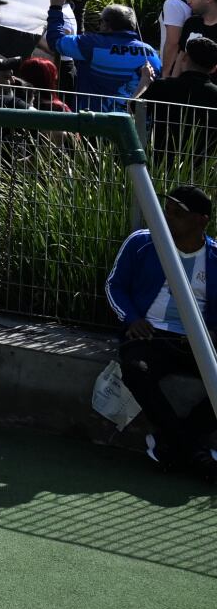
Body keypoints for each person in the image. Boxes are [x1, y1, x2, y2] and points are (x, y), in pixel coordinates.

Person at [105, 182, 216, 474]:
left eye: (177, 214)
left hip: (198, 341)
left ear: (201, 220)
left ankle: (173, 444)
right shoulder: (142, 242)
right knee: (135, 369)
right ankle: (194, 451)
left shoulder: (215, 258)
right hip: (151, 335)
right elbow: (114, 286)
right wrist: (131, 319)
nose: (167, 218)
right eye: (165, 211)